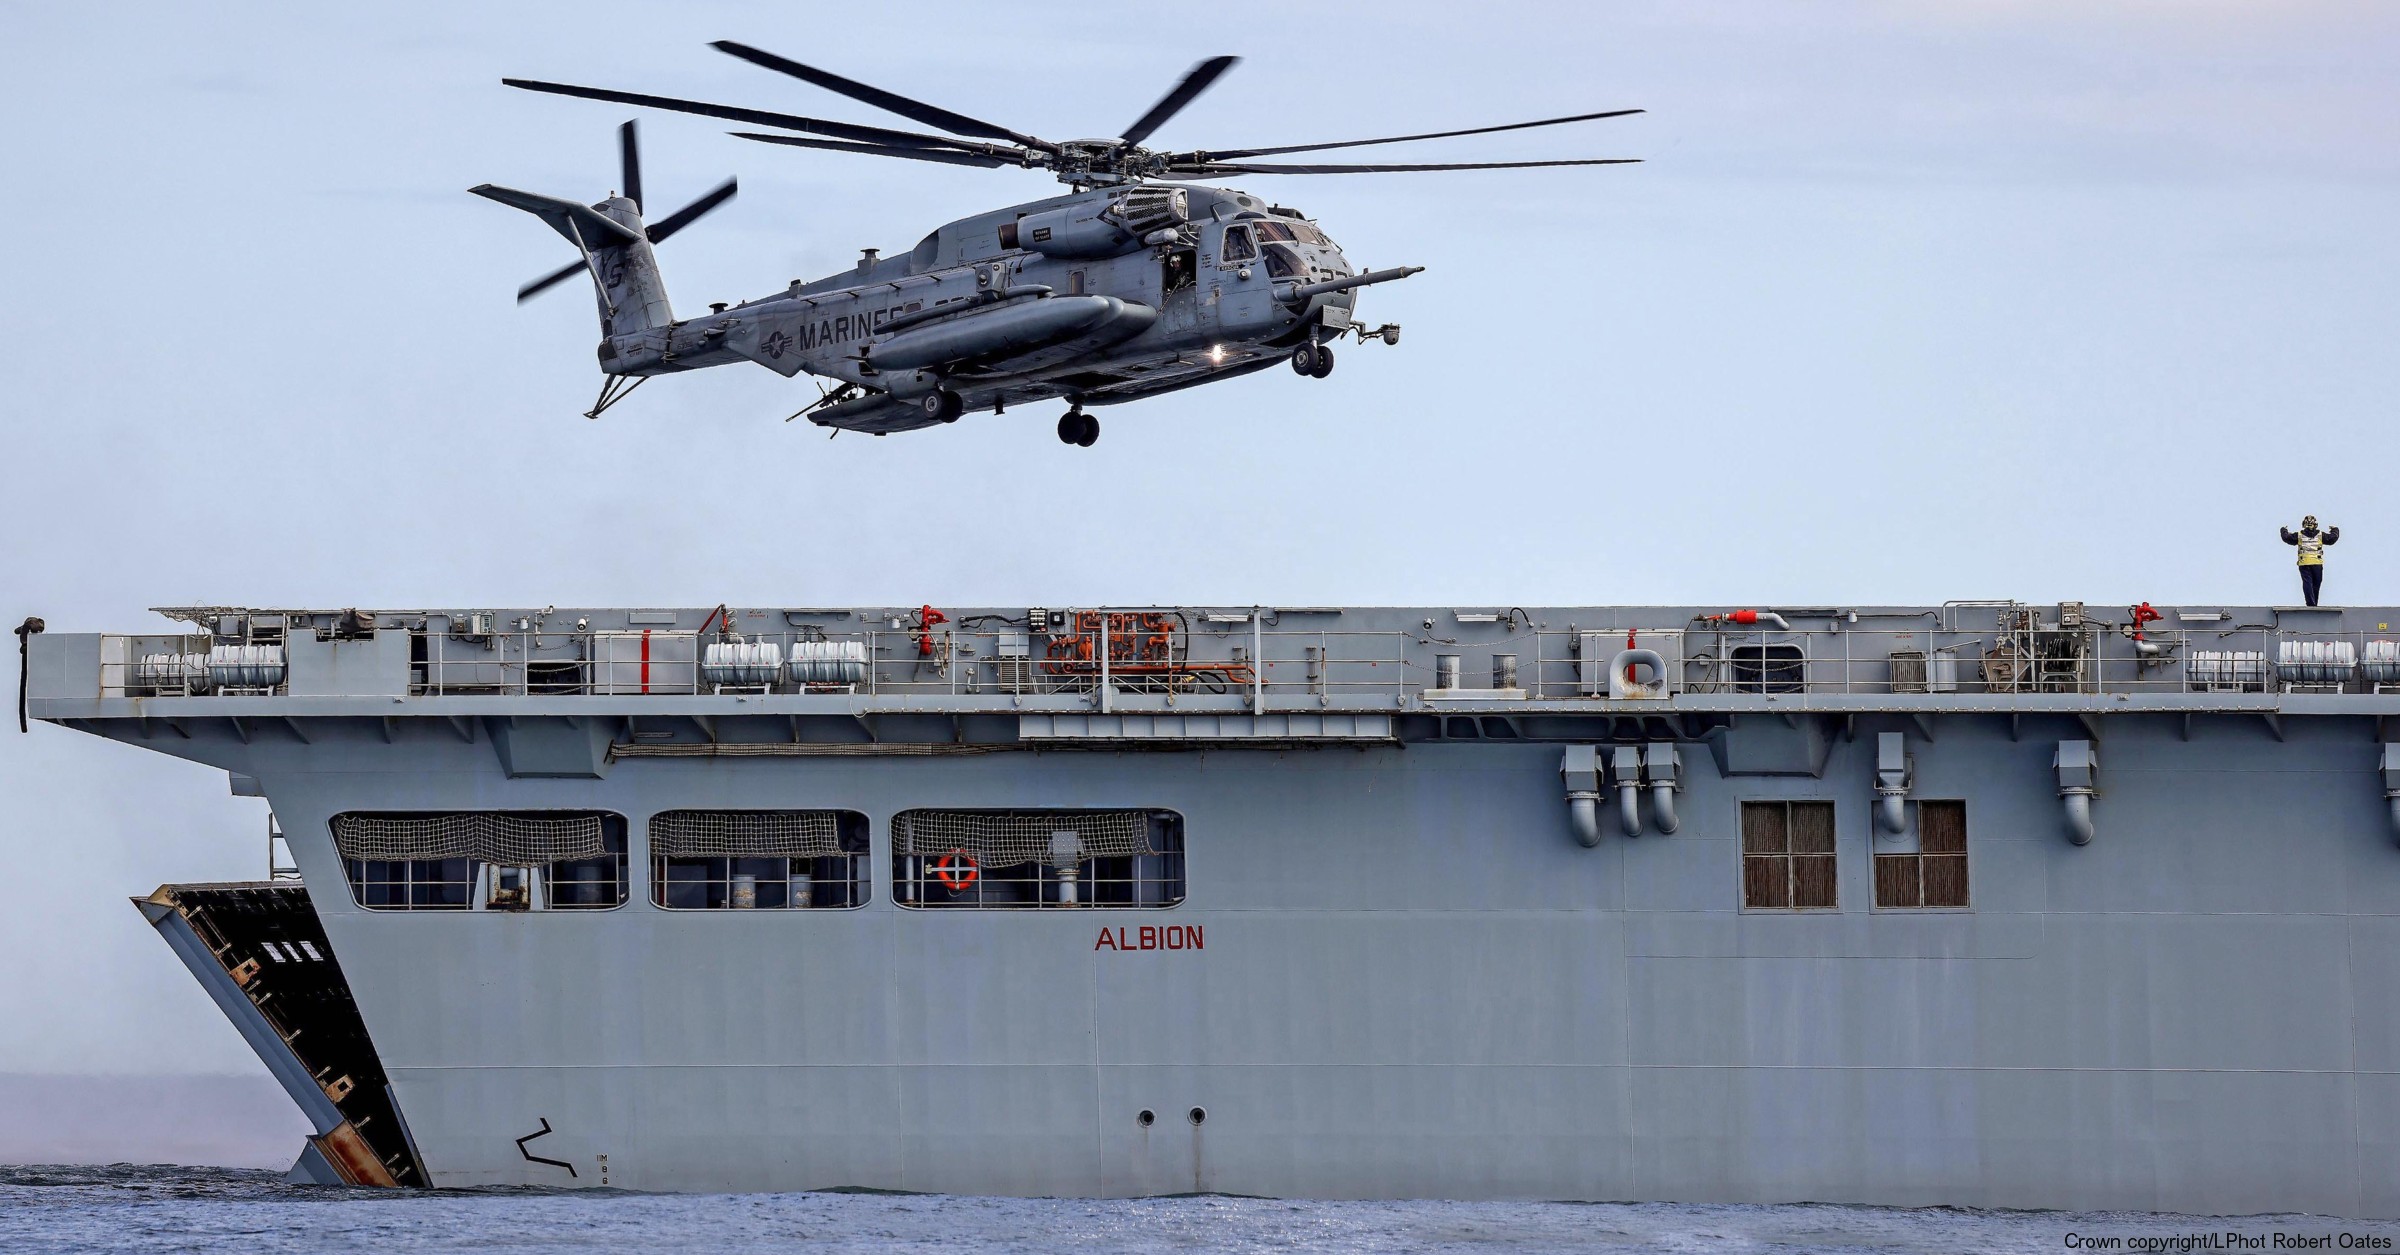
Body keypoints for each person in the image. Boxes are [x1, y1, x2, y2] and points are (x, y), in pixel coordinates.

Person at [2280, 515, 2340, 606]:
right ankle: (2314, 604)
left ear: (2304, 524)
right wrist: (2335, 530)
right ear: (2315, 524)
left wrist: (2283, 530)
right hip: (2317, 563)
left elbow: (2287, 538)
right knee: (2316, 584)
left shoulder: (2299, 535)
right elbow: (2332, 539)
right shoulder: (2321, 535)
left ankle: (2311, 603)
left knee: (2307, 583)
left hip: (2304, 563)